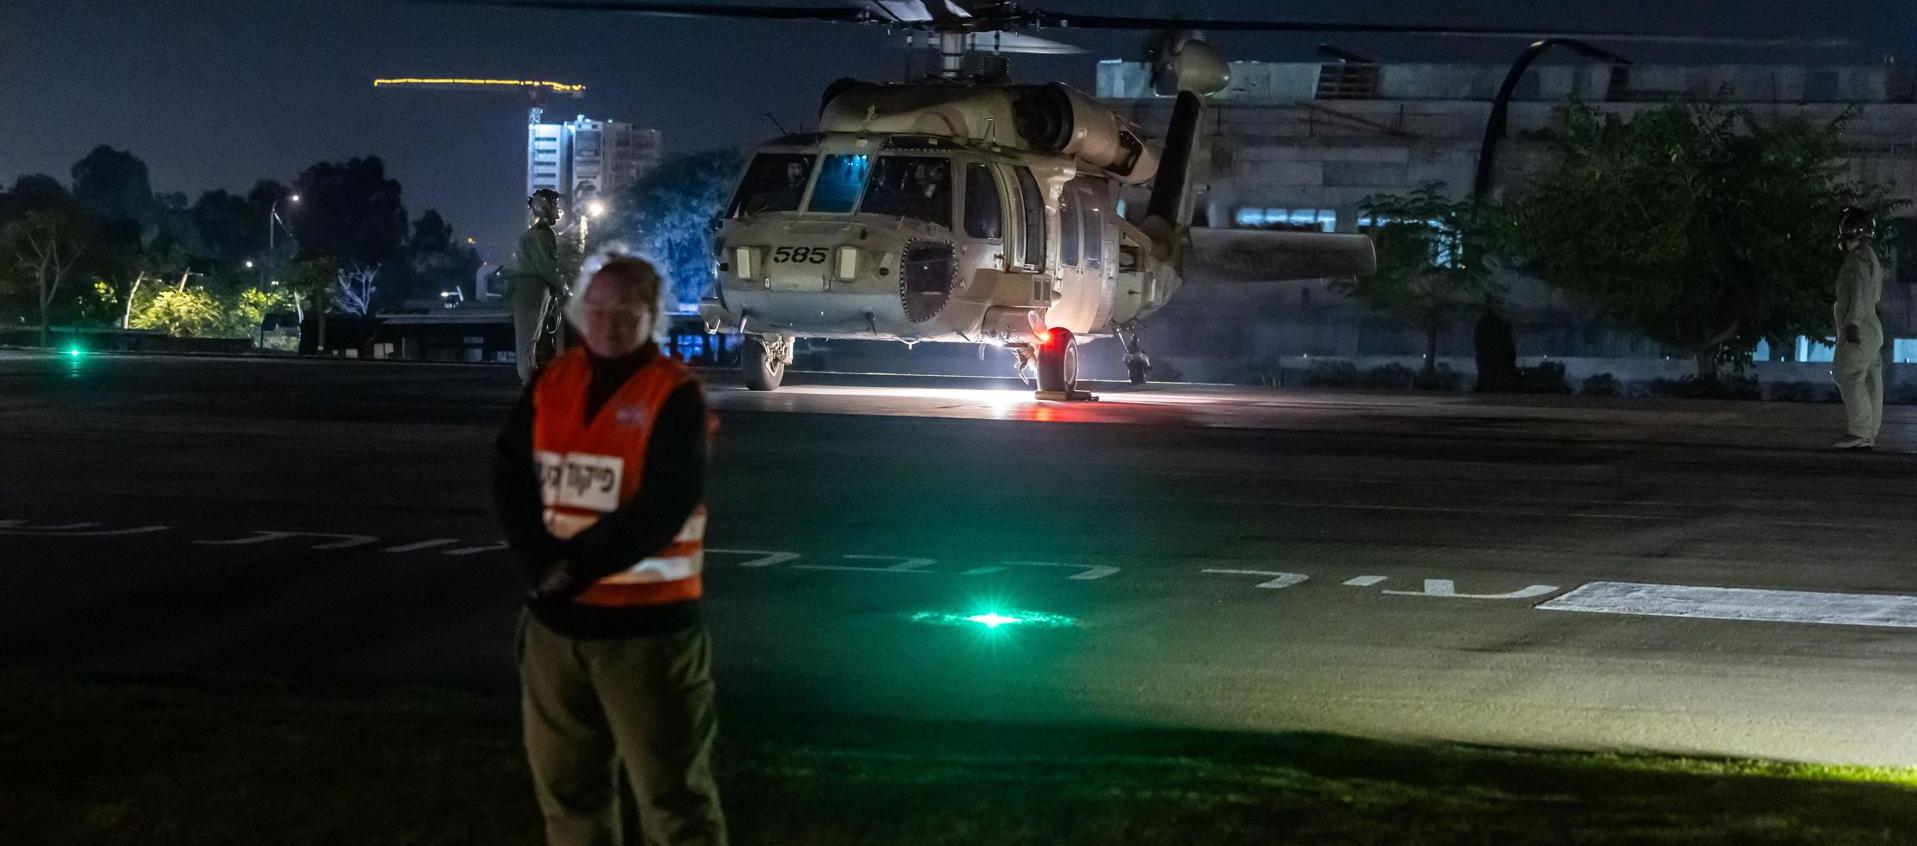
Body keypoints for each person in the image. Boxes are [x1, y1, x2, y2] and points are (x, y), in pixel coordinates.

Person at [494, 252, 726, 846]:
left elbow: (663, 506)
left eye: (625, 309)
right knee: (569, 798)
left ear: (652, 315)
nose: (608, 321)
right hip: (557, 632)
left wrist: (569, 568)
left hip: (647, 636)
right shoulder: (555, 381)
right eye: (596, 308)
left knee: (674, 804)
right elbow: (511, 475)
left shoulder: (674, 395)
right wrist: (540, 563)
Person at [1832, 206, 1885, 450]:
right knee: (1871, 380)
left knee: (1848, 374)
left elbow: (1860, 293)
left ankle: (1860, 431)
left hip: (1860, 327)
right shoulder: (1870, 256)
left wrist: (1851, 324)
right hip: (1871, 327)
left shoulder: (1857, 258)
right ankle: (1869, 431)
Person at [511, 189, 567, 385]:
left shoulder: (531, 234)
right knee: (530, 338)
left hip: (527, 288)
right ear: (545, 207)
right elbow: (546, 266)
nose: (558, 210)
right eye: (554, 205)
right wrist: (563, 287)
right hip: (534, 288)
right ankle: (529, 378)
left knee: (528, 338)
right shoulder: (543, 234)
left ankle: (528, 376)